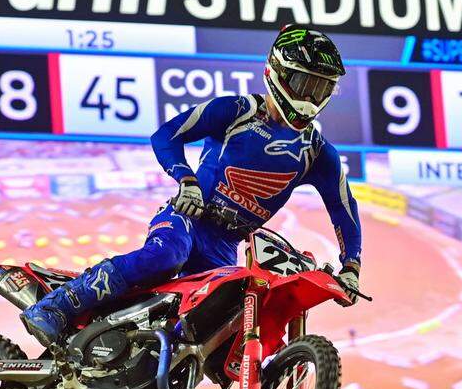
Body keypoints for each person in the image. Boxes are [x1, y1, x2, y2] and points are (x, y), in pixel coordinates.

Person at [21, 25, 364, 346]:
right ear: (279, 72)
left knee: (216, 331)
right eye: (305, 83)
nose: (310, 97)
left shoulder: (318, 153)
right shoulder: (237, 111)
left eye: (322, 88)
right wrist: (187, 182)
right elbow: (166, 135)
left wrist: (351, 267)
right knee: (165, 255)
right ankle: (56, 305)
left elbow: (344, 207)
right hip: (188, 218)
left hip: (225, 246)